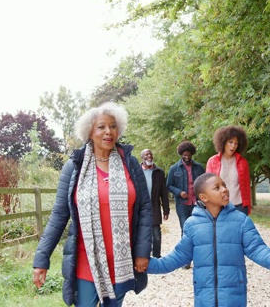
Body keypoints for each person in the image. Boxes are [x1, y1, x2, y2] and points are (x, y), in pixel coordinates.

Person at [32, 102, 152, 307]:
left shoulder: (129, 164)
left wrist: (142, 251)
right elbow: (59, 215)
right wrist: (41, 258)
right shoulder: (75, 167)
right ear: (89, 132)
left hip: (121, 260)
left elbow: (144, 208)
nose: (108, 132)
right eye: (101, 127)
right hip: (86, 261)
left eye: (113, 126)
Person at [147, 173, 270, 307]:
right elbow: (177, 257)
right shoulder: (192, 225)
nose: (224, 189)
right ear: (203, 197)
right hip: (204, 298)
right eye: (217, 188)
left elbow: (258, 250)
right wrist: (147, 264)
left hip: (234, 297)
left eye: (224, 185)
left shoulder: (241, 221)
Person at [166, 141, 204, 269]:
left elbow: (205, 183)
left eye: (189, 155)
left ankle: (199, 259)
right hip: (182, 205)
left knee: (199, 230)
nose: (187, 157)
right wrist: (179, 192)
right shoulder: (174, 169)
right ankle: (186, 260)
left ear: (192, 154)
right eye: (184, 155)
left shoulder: (199, 167)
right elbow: (169, 185)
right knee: (185, 230)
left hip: (197, 204)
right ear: (181, 154)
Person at [206, 125, 252, 215]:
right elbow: (208, 186)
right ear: (223, 142)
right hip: (220, 205)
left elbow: (246, 186)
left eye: (236, 143)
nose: (233, 146)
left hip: (239, 205)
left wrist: (248, 206)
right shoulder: (212, 161)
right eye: (230, 142)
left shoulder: (243, 162)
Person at [140, 148, 170, 258]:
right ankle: (143, 256)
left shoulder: (159, 172)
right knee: (142, 233)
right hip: (140, 207)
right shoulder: (137, 171)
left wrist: (166, 210)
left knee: (156, 234)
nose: (149, 156)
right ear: (142, 158)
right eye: (147, 155)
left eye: (151, 154)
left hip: (155, 207)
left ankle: (157, 256)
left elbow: (163, 192)